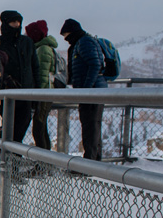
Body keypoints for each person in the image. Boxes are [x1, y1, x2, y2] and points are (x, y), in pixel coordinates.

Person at [60, 18, 107, 160]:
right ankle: (94, 159)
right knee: (92, 126)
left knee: (90, 127)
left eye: (66, 35)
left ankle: (90, 162)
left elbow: (94, 65)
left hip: (92, 93)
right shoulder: (82, 42)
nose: (66, 39)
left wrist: (86, 88)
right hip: (92, 91)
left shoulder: (85, 42)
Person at [0, 10, 40, 143]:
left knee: (19, 134)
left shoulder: (27, 42)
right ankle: (5, 161)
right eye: (13, 22)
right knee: (5, 134)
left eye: (18, 22)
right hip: (6, 96)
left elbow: (35, 67)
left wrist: (37, 92)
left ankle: (13, 161)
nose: (16, 25)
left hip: (26, 95)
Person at [25, 20, 58, 150]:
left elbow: (42, 75)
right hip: (45, 93)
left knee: (39, 128)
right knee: (41, 128)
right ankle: (43, 163)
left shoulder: (43, 49)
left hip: (45, 93)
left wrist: (38, 95)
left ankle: (43, 164)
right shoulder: (42, 48)